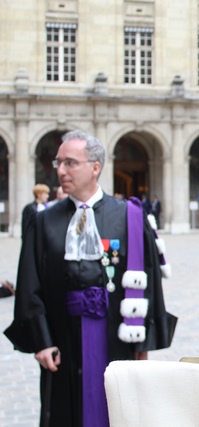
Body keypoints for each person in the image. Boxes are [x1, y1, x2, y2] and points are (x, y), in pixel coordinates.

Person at [4, 130, 177, 427]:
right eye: (59, 163)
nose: (60, 170)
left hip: (117, 338)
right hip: (63, 339)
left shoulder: (130, 216)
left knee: (117, 411)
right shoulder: (43, 220)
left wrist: (143, 343)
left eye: (70, 163)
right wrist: (42, 342)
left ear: (95, 167)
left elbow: (148, 282)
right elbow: (30, 284)